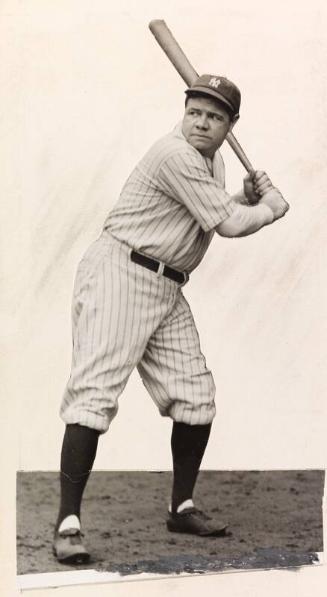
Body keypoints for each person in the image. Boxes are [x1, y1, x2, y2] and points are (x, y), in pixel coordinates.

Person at [53, 74, 289, 564]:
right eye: (194, 112)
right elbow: (226, 225)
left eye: (214, 116)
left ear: (231, 125)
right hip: (121, 270)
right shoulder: (175, 153)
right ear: (184, 113)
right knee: (94, 397)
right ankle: (68, 524)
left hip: (167, 284)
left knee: (196, 398)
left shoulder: (213, 158)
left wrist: (245, 198)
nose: (201, 122)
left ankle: (181, 506)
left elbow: (209, 208)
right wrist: (267, 209)